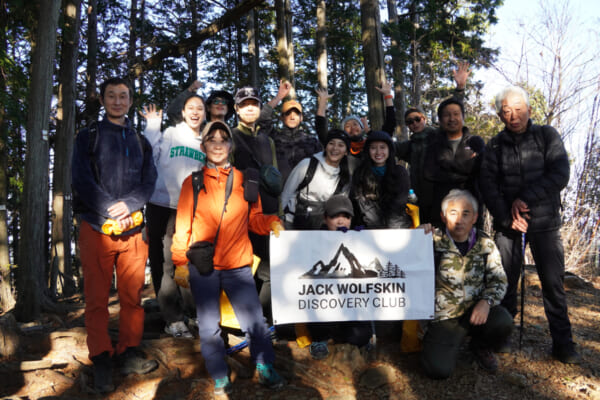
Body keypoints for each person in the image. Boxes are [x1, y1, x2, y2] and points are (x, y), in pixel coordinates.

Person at [170, 121, 286, 395]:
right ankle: (220, 375)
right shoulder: (193, 182)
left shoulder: (246, 180)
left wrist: (271, 223)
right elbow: (183, 224)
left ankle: (264, 367)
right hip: (203, 266)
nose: (218, 144)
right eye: (212, 139)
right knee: (209, 326)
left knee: (255, 322)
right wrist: (178, 263)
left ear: (231, 147)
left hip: (238, 265)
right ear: (204, 146)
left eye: (224, 139)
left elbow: (255, 220)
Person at [479, 86, 581, 364]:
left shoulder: (547, 136)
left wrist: (524, 198)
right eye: (506, 111)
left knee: (553, 284)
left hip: (545, 223)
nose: (513, 116)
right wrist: (506, 216)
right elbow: (487, 185)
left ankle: (563, 344)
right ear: (500, 115)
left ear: (530, 111)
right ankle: (502, 336)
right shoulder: (495, 145)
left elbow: (560, 174)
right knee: (504, 283)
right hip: (508, 226)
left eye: (518, 109)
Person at [71, 77, 158, 393]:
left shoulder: (139, 140)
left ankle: (129, 350)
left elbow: (149, 181)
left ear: (131, 101)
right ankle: (101, 356)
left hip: (134, 230)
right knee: (95, 298)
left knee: (132, 296)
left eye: (123, 96)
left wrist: (131, 205)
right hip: (96, 227)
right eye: (112, 96)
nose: (118, 101)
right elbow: (79, 178)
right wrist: (109, 207)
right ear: (103, 100)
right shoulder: (88, 136)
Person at [421, 189, 512, 379]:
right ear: (443, 217)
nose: (459, 220)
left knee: (503, 321)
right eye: (453, 213)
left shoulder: (486, 244)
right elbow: (402, 264)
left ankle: (480, 346)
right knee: (437, 370)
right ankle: (445, 341)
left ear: (475, 217)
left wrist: (486, 302)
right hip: (444, 315)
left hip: (476, 310)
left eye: (466, 213)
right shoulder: (430, 240)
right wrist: (413, 237)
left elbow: (499, 279)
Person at [140, 94, 207, 339]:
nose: (195, 112)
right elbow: (148, 153)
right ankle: (173, 319)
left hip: (190, 208)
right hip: (161, 204)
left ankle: (192, 313)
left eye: (200, 108)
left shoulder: (205, 141)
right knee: (164, 263)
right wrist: (152, 126)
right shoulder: (170, 134)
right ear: (183, 111)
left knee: (189, 260)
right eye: (191, 107)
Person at [230, 81, 290, 322]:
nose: (250, 109)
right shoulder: (230, 137)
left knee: (270, 269)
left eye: (254, 104)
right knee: (242, 269)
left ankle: (263, 317)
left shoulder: (268, 140)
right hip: (239, 213)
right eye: (245, 105)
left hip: (267, 212)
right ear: (236, 109)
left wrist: (279, 212)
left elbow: (274, 177)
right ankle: (240, 318)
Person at [396, 62, 471, 216]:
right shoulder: (409, 146)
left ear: (424, 118)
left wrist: (460, 88)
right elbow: (385, 147)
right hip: (420, 201)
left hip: (443, 197)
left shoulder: (438, 135)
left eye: (417, 119)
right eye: (409, 122)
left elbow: (453, 114)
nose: (414, 124)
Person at [417, 97, 485, 227]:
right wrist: (467, 168)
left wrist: (446, 167)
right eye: (447, 115)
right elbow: (429, 175)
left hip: (471, 212)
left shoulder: (475, 142)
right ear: (441, 120)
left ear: (463, 117)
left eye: (456, 114)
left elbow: (482, 171)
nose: (452, 119)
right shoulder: (433, 145)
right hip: (440, 213)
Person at [316, 80, 396, 172]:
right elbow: (321, 131)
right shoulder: (341, 148)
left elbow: (390, 125)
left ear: (362, 128)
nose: (352, 127)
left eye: (355, 124)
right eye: (348, 126)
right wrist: (322, 102)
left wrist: (387, 96)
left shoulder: (371, 144)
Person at [280, 129, 351, 230]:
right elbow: (286, 193)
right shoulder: (307, 165)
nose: (335, 148)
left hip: (322, 227)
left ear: (346, 152)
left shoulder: (344, 178)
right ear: (325, 146)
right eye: (331, 143)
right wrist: (279, 218)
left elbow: (340, 208)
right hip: (292, 222)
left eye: (341, 145)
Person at [350, 130, 412, 229]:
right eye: (373, 148)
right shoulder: (360, 174)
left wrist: (391, 231)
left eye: (382, 147)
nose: (378, 152)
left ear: (389, 150)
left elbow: (399, 205)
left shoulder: (399, 172)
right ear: (368, 151)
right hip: (370, 230)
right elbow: (363, 206)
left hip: (398, 228)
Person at [266, 97, 323, 182]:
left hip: (304, 189)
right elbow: (262, 119)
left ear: (301, 118)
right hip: (278, 189)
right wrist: (279, 96)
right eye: (288, 113)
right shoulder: (273, 138)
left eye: (296, 114)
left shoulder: (312, 141)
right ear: (281, 117)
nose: (292, 117)